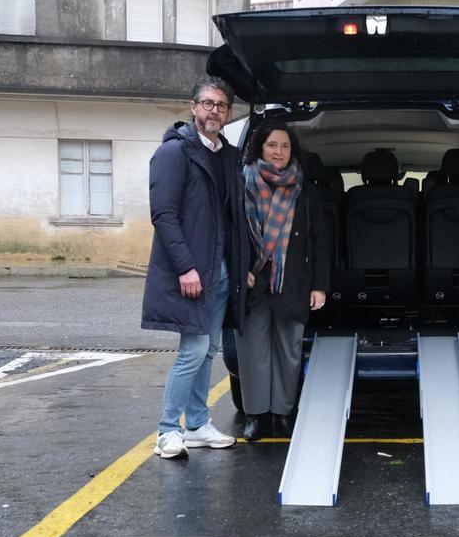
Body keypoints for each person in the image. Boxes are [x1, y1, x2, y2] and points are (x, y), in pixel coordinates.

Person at [141, 77, 249, 458]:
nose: (214, 111)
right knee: (193, 350)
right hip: (193, 273)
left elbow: (234, 219)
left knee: (208, 352)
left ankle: (199, 425)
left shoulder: (229, 156)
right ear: (193, 107)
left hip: (220, 273)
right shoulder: (174, 153)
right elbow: (164, 216)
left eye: (221, 105)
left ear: (229, 112)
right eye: (207, 103)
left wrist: (241, 266)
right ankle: (168, 430)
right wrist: (186, 268)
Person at [235, 122, 330, 441]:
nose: (279, 151)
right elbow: (230, 234)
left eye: (285, 146)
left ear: (293, 151)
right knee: (253, 350)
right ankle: (256, 416)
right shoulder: (242, 183)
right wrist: (239, 269)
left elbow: (319, 240)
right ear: (260, 147)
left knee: (289, 350)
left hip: (292, 281)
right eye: (273, 145)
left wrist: (319, 285)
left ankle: (281, 414)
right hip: (252, 282)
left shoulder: (304, 189)